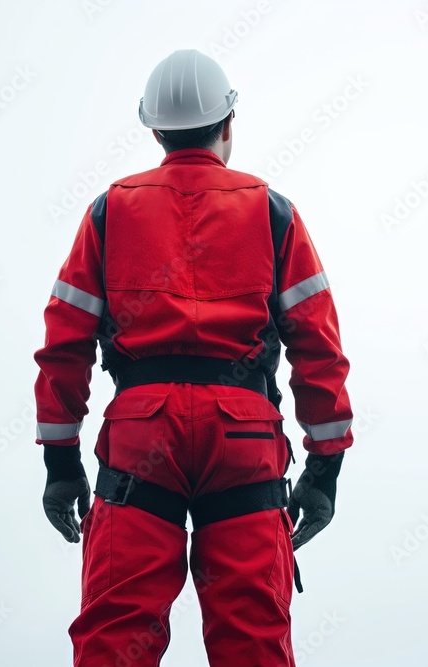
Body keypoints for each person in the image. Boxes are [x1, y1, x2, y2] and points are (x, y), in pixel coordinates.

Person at [32, 49, 354, 666]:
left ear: (155, 130)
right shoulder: (272, 211)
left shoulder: (111, 210)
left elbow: (64, 344)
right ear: (228, 124)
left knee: (116, 635)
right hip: (244, 440)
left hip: (140, 437)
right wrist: (324, 473)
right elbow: (318, 347)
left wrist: (60, 464)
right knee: (252, 639)